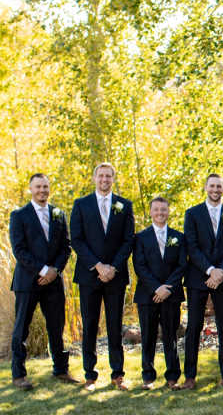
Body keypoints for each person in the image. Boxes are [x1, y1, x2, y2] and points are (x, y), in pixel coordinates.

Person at [9, 173, 78, 390]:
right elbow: (19, 249)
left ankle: (61, 369)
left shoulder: (59, 214)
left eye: (45, 187)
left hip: (53, 282)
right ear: (31, 189)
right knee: (21, 328)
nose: (42, 190)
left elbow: (66, 247)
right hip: (27, 281)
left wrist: (54, 270)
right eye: (38, 187)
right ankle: (19, 375)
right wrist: (43, 270)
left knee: (57, 326)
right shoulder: (19, 215)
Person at [70, 163, 135, 391]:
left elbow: (128, 240)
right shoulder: (81, 204)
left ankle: (118, 374)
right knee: (90, 325)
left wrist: (113, 267)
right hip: (89, 275)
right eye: (101, 175)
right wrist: (98, 266)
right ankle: (90, 375)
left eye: (108, 176)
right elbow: (76, 239)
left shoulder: (124, 205)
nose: (105, 179)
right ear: (94, 178)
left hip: (115, 276)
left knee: (115, 325)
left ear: (113, 179)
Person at [182, 174, 223, 390]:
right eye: (212, 186)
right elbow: (192, 245)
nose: (215, 189)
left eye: (219, 186)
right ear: (206, 187)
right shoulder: (192, 213)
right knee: (193, 327)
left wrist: (220, 272)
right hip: (198, 277)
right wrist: (210, 270)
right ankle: (190, 377)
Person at [132, 197, 187, 390]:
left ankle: (172, 376)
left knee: (170, 336)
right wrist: (156, 288)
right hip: (147, 294)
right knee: (148, 336)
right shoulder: (140, 237)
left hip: (171, 295)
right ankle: (148, 377)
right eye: (156, 209)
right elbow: (139, 265)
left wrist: (167, 288)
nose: (160, 213)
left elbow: (182, 265)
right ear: (150, 212)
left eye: (163, 209)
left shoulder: (179, 237)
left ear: (168, 211)